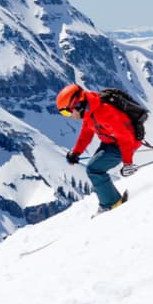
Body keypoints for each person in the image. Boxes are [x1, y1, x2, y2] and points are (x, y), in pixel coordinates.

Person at [55, 83, 139, 213]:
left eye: (67, 112)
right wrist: (76, 152)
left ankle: (112, 204)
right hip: (110, 141)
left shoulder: (104, 113)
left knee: (94, 169)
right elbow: (86, 134)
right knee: (94, 167)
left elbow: (125, 138)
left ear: (77, 104)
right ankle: (110, 201)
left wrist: (128, 163)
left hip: (124, 144)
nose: (69, 116)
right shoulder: (90, 111)